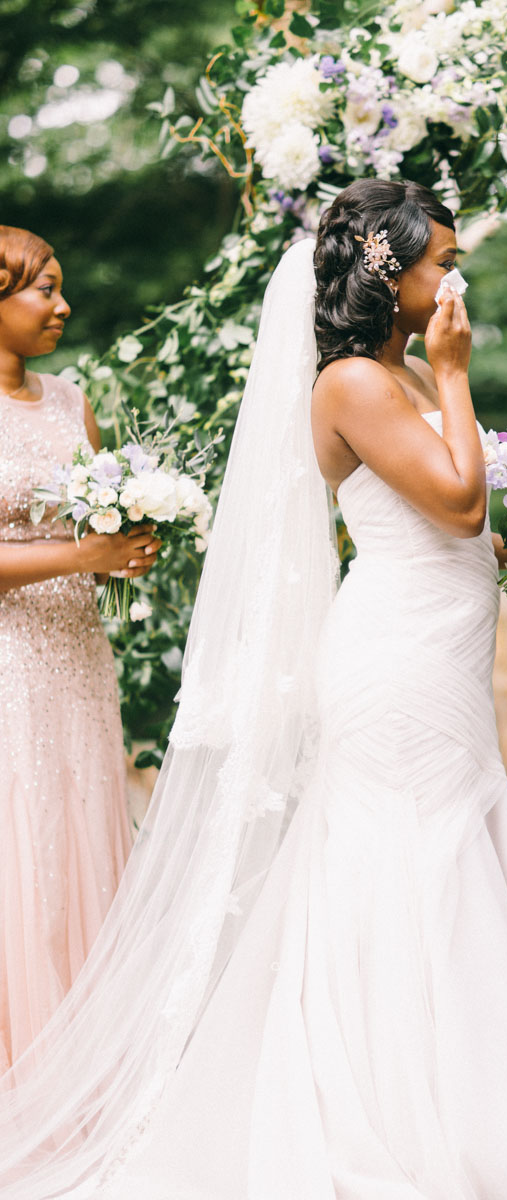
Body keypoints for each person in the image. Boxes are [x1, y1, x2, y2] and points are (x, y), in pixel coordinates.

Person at [0, 184, 507, 1200]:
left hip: (438, 652)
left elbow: (453, 523)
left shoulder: (399, 372)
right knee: (405, 862)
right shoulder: (353, 382)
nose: (455, 278)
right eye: (439, 261)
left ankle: (472, 1103)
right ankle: (389, 1111)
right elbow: (449, 500)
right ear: (383, 273)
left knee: (454, 855)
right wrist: (455, 376)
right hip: (392, 663)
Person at [0, 226, 161, 1071]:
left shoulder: (69, 401)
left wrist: (131, 545)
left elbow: (98, 518)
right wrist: (83, 555)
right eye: (43, 291)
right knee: (20, 847)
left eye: (61, 288)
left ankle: (89, 1069)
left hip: (79, 654)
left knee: (84, 831)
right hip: (9, 663)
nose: (63, 306)